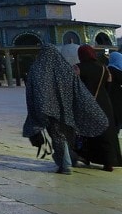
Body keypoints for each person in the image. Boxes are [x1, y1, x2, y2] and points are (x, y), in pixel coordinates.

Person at [22, 44, 108, 174]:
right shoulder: (65, 68)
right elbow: (78, 89)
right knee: (66, 135)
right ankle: (69, 160)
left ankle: (66, 164)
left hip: (48, 110)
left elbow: (32, 93)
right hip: (67, 110)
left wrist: (38, 110)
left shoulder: (37, 69)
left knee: (58, 137)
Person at [74, 45, 119, 171]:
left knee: (87, 131)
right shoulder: (104, 68)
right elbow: (108, 84)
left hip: (86, 103)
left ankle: (86, 157)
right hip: (103, 103)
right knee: (106, 132)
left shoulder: (77, 68)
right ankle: (109, 162)